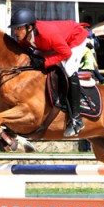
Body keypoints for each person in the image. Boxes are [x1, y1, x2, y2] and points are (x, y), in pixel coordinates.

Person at [10, 8, 89, 137]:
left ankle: (76, 119)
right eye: (14, 28)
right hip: (56, 43)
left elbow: (66, 53)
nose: (15, 31)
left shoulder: (47, 34)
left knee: (68, 69)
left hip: (75, 39)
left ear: (29, 27)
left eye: (18, 28)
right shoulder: (24, 38)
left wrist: (44, 62)